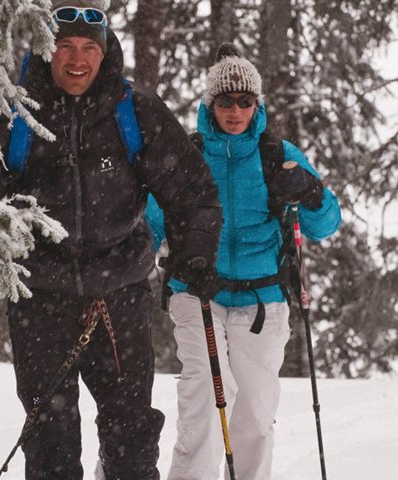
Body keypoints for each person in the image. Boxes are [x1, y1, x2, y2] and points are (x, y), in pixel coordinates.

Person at [0, 1, 222, 479]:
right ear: (47, 51)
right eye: (65, 46)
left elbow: (192, 190)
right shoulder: (15, 114)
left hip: (120, 294)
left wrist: (196, 252)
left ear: (104, 52)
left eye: (89, 47)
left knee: (131, 437)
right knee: (49, 443)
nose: (77, 59)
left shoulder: (135, 111)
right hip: (40, 297)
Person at [145, 43, 343, 480]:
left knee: (255, 412)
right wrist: (128, 259)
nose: (235, 111)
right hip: (198, 292)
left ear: (257, 104)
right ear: (209, 104)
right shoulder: (187, 154)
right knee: (205, 394)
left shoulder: (276, 154)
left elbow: (325, 225)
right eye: (225, 101)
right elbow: (151, 223)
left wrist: (311, 192)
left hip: (262, 299)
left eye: (244, 101)